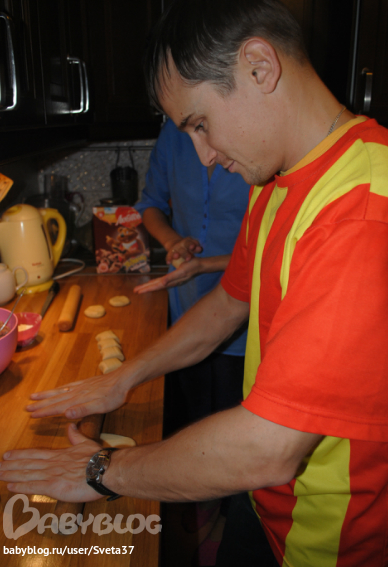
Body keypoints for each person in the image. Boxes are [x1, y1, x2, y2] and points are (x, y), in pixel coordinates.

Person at [0, 0, 388, 567]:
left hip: (331, 541)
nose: (204, 154)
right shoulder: (278, 180)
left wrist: (100, 470)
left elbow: (269, 448)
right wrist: (124, 377)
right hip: (268, 506)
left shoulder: (363, 209)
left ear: (259, 66)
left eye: (200, 123)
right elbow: (228, 305)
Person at [134, 118, 250, 562]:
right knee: (196, 416)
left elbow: (269, 245)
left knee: (234, 430)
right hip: (187, 306)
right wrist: (173, 242)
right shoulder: (172, 134)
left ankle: (229, 515)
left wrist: (206, 264)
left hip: (245, 317)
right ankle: (207, 504)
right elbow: (150, 204)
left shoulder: (252, 137)